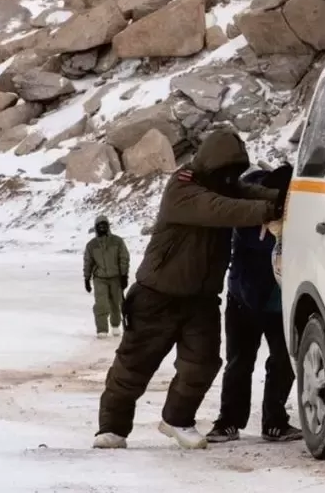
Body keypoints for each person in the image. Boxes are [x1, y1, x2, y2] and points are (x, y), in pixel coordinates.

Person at [93, 128, 283, 451]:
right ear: (211, 165)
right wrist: (269, 211)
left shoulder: (220, 186)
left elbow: (246, 194)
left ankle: (177, 419)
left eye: (234, 174)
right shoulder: (183, 188)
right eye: (227, 172)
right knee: (133, 367)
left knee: (203, 363)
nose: (231, 179)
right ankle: (112, 428)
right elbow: (221, 209)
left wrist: (286, 198)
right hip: (157, 296)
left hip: (201, 300)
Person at [206, 164, 300, 444]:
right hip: (243, 298)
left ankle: (274, 421)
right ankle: (228, 421)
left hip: (279, 301)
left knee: (282, 361)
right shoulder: (247, 207)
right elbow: (256, 242)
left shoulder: (296, 211)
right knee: (239, 362)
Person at [83, 216, 130, 337]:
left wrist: (124, 275)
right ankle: (102, 329)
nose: (102, 227)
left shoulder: (117, 241)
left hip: (116, 277)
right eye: (99, 225)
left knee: (116, 302)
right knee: (101, 303)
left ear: (108, 226)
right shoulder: (91, 245)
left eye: (104, 225)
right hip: (100, 278)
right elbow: (88, 262)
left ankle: (115, 325)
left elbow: (124, 258)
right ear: (96, 227)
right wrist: (87, 279)